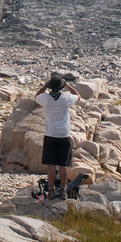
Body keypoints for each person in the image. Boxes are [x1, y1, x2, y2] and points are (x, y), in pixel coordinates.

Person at [34, 72, 80, 200]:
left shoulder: (45, 99)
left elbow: (36, 96)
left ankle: (51, 189)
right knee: (63, 165)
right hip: (64, 135)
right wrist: (68, 85)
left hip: (50, 134)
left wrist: (44, 86)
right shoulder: (66, 98)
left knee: (51, 164)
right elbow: (78, 96)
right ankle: (64, 189)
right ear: (61, 87)